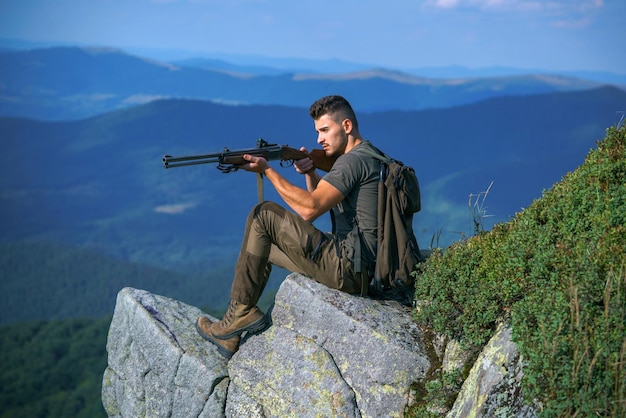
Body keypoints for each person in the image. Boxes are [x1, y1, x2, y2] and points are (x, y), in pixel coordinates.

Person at [196, 95, 383, 359]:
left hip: (348, 270)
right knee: (263, 243)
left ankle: (237, 317)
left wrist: (268, 170)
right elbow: (320, 203)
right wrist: (310, 172)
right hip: (366, 269)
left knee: (263, 215)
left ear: (347, 126)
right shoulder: (372, 156)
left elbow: (308, 209)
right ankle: (233, 326)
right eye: (318, 131)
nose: (319, 139)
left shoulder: (351, 162)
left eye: (325, 130)